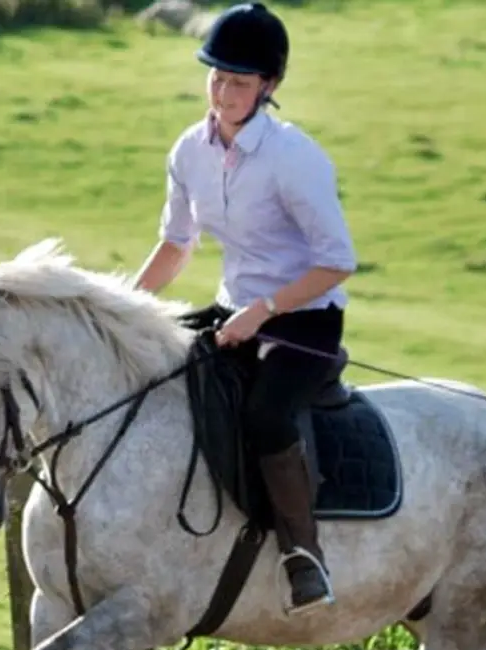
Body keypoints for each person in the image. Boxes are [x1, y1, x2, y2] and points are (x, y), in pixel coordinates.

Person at [131, 1, 359, 616]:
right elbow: (178, 245)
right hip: (235, 309)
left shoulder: (294, 158)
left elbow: (337, 262)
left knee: (264, 415)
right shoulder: (188, 151)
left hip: (305, 319)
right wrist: (125, 308)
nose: (223, 91)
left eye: (238, 81)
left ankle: (303, 556)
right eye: (216, 77)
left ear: (269, 87)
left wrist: (262, 311)